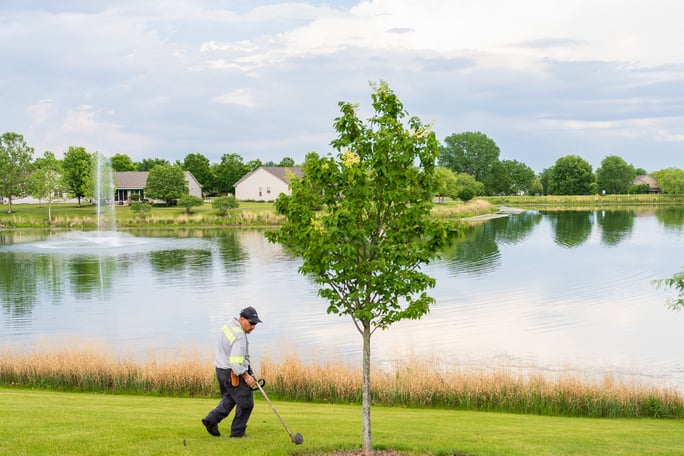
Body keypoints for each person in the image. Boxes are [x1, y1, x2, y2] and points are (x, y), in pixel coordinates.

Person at [202, 306, 262, 438]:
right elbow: (235, 364)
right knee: (246, 403)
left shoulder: (229, 325)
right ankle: (237, 433)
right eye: (251, 323)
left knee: (230, 398)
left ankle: (211, 420)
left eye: (255, 323)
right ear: (242, 319)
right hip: (232, 373)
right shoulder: (240, 337)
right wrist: (247, 376)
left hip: (220, 371)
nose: (253, 326)